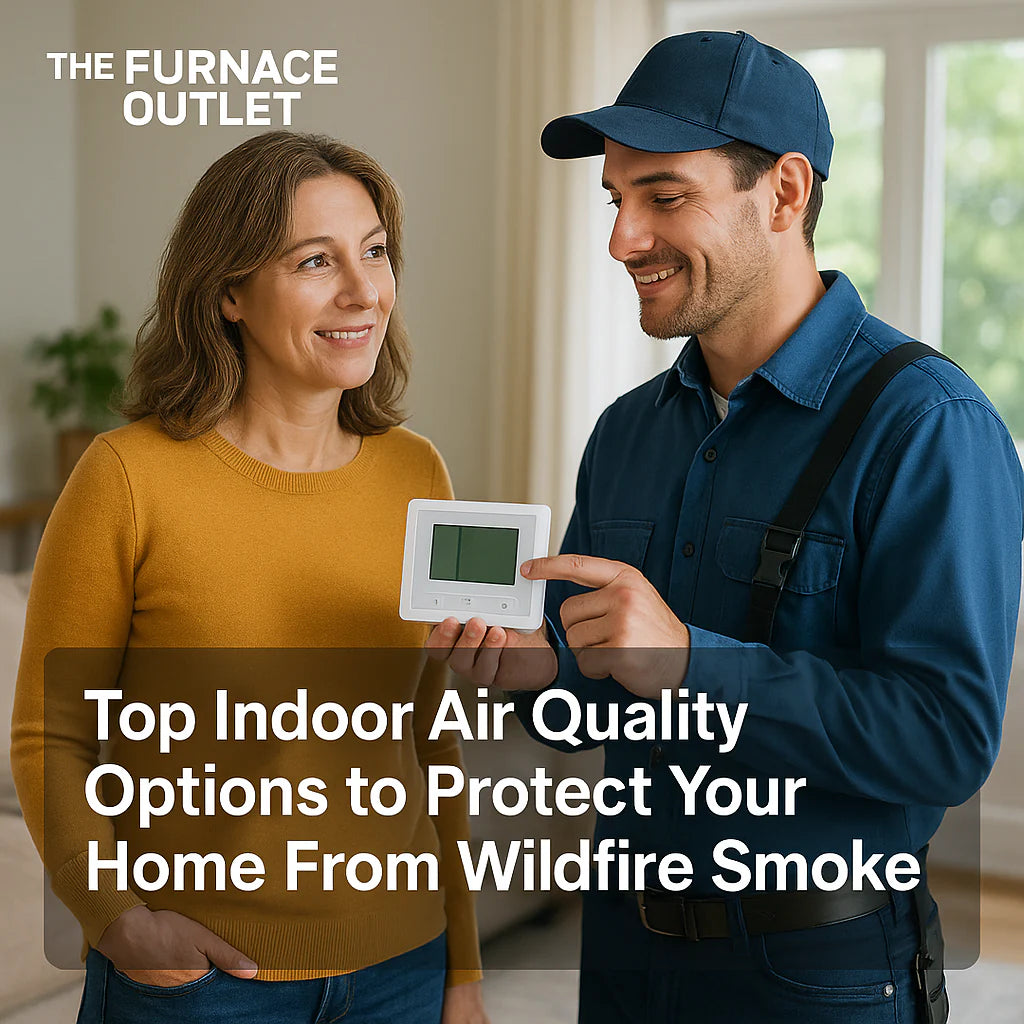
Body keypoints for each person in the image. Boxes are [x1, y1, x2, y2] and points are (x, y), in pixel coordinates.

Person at [427, 30, 1023, 1024]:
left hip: (815, 972)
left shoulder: (928, 424)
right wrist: (538, 672)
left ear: (783, 194)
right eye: (615, 202)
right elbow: (606, 691)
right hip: (620, 952)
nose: (623, 238)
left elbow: (945, 736)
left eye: (664, 197)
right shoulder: (626, 432)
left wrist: (691, 663)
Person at [12, 131, 487, 1024]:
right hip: (200, 985)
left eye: (375, 252)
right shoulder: (126, 477)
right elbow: (51, 736)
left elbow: (431, 739)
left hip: (403, 969)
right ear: (228, 291)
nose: (363, 291)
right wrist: (119, 923)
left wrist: (462, 971)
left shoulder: (416, 472)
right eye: (316, 260)